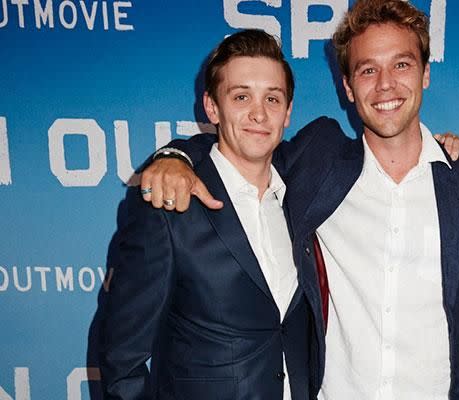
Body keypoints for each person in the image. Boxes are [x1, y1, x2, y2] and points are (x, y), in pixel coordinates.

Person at [141, 0, 459, 399]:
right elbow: (243, 144)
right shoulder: (320, 158)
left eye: (401, 64)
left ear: (425, 73)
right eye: (367, 70)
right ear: (347, 86)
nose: (385, 85)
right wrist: (175, 155)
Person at [99, 30, 326, 400]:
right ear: (212, 107)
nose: (258, 112)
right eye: (241, 96)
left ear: (288, 112)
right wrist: (174, 156)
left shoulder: (301, 193)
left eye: (272, 98)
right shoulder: (167, 205)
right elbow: (121, 358)